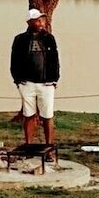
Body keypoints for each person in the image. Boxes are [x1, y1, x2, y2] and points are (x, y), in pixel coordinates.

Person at [10, 9, 60, 151]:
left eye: (41, 20)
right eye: (37, 20)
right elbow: (14, 61)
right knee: (28, 114)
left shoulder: (49, 38)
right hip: (27, 83)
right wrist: (18, 80)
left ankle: (49, 148)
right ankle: (28, 146)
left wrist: (54, 79)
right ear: (29, 22)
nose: (40, 23)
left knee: (47, 115)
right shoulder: (20, 39)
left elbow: (55, 60)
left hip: (46, 83)